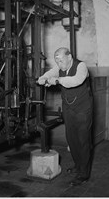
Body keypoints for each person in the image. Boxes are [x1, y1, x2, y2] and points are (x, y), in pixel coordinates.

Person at [37, 47, 93, 186]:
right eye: (57, 61)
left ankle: (84, 174)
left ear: (69, 57)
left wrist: (57, 80)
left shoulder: (81, 66)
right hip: (68, 107)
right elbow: (50, 73)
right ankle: (78, 166)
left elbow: (76, 81)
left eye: (61, 60)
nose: (59, 64)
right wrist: (42, 79)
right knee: (71, 137)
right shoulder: (60, 67)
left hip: (82, 109)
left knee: (83, 140)